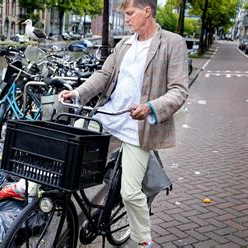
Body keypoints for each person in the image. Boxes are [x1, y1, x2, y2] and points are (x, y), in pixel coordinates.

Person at [60, 0, 189, 247]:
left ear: (147, 11)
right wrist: (77, 93)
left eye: (130, 13)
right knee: (66, 150)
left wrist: (150, 107)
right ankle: (28, 190)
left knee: (130, 194)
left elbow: (179, 90)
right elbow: (103, 75)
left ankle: (143, 241)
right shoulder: (124, 44)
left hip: (138, 128)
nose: (127, 19)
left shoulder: (173, 43)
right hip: (108, 117)